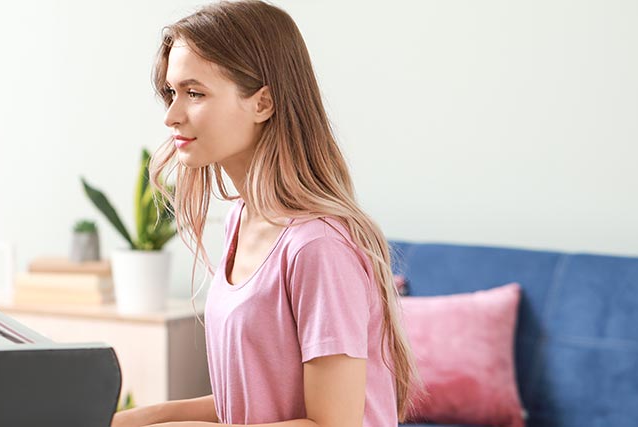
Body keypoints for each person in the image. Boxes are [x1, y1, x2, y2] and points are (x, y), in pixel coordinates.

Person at [112, 1, 419, 426]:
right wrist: (136, 419)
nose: (171, 115)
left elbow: (333, 424)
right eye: (171, 93)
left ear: (264, 103)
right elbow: (252, 404)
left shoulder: (318, 247)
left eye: (194, 93)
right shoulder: (241, 220)